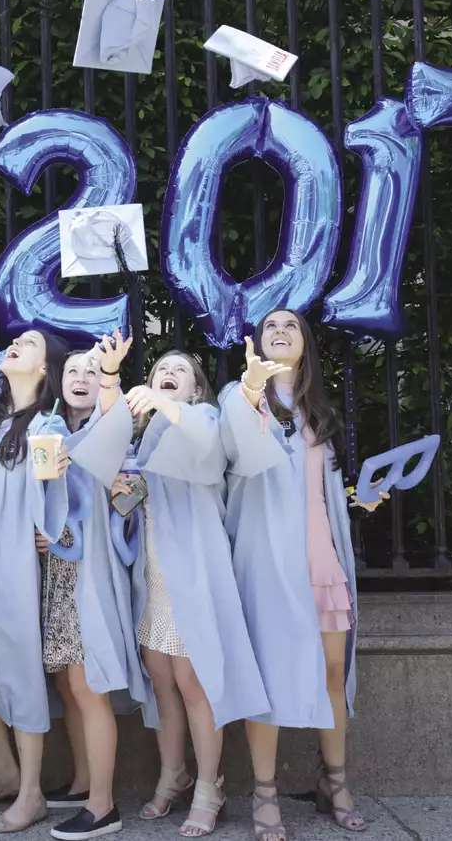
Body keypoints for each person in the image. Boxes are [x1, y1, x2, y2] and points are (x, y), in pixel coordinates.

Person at [86, 343, 270, 837]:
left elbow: (206, 448)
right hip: (153, 577)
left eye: (179, 372)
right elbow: (140, 502)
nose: (168, 374)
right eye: (161, 369)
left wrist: (160, 400)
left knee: (195, 686)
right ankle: (174, 775)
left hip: (192, 580)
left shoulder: (204, 419)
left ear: (195, 387)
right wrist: (123, 495)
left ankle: (210, 787)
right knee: (162, 684)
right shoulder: (148, 438)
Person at [218, 310, 382, 841]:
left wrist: (359, 498)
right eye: (271, 327)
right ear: (257, 341)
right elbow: (234, 455)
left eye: (291, 326)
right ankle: (264, 793)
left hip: (320, 559)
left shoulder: (320, 411)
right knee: (265, 674)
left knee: (332, 672)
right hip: (267, 561)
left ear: (305, 344)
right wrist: (250, 386)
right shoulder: (239, 399)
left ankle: (333, 781)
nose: (281, 331)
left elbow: (323, 488)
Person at [0, 242, 76, 836]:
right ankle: (7, 770)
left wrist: (50, 532)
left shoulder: (47, 426)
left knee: (21, 667)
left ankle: (31, 792)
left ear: (44, 367)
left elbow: (55, 497)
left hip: (13, 560)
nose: (11, 347)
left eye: (25, 345)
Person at [41, 336, 150, 841]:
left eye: (91, 372)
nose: (80, 378)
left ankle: (103, 806)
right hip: (56, 574)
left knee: (89, 687)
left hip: (91, 573)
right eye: (73, 372)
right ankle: (85, 781)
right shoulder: (50, 433)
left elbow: (128, 502)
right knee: (67, 683)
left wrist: (111, 376)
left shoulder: (115, 432)